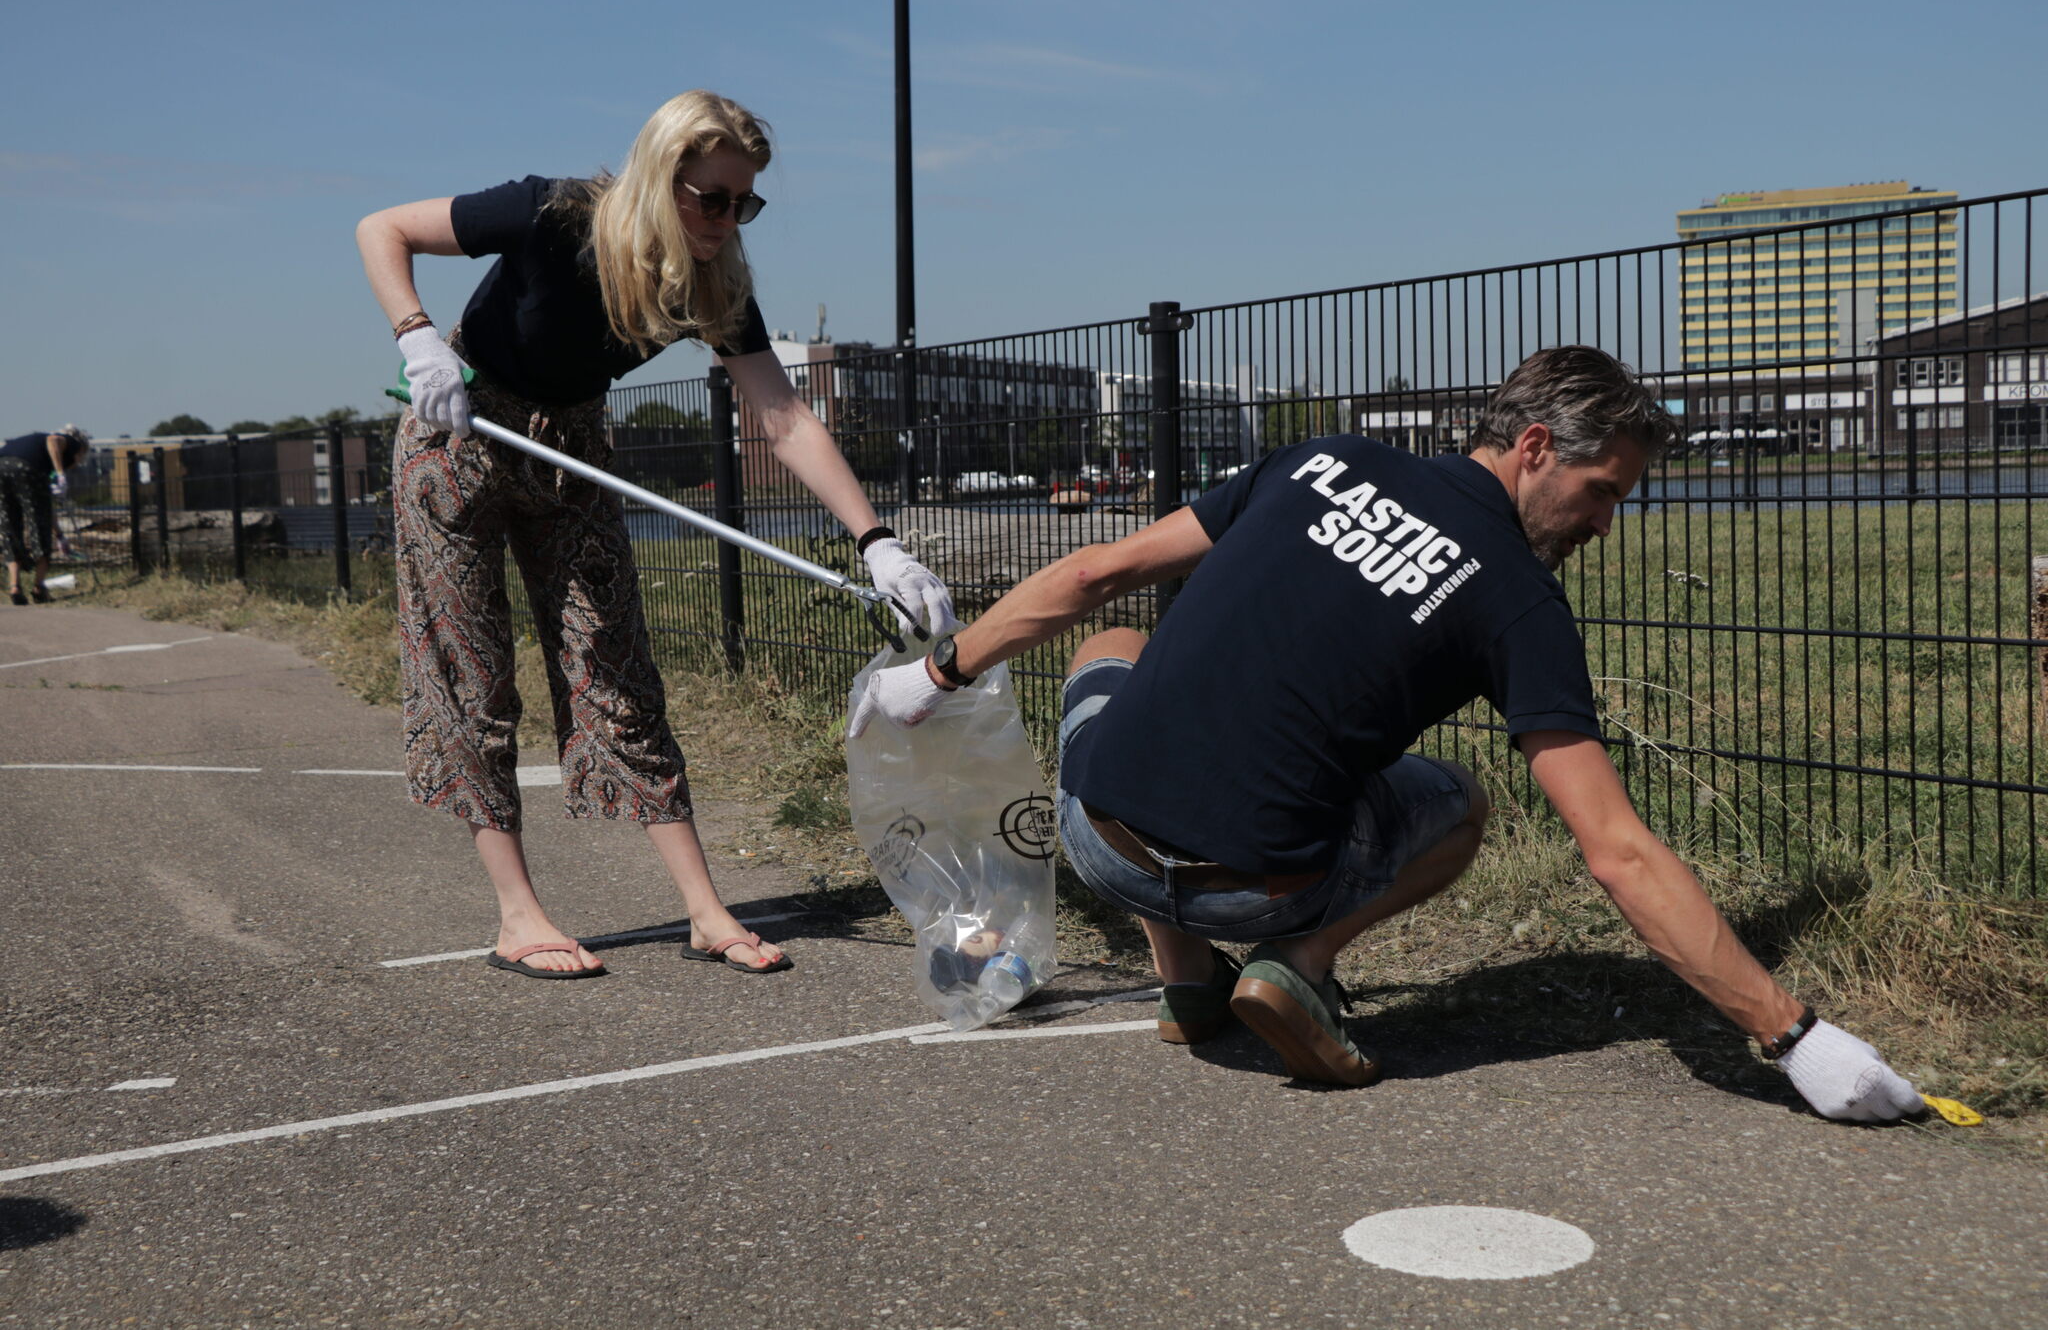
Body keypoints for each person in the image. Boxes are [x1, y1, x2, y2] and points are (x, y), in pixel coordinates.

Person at [851, 345, 1922, 1123]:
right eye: (1601, 494)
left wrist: (937, 673)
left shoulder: (1321, 460)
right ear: (1536, 446)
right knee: (1455, 802)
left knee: (1115, 642)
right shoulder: (1515, 603)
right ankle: (1298, 964)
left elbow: (1091, 576)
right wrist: (1795, 1038)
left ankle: (1184, 978)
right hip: (1255, 889)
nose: (1603, 526)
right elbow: (1614, 850)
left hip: (1099, 845)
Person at [356, 90, 955, 980]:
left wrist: (877, 540)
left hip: (571, 450)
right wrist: (418, 339)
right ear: (659, 173)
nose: (727, 219)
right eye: (712, 197)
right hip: (461, 435)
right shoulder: (551, 212)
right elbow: (382, 228)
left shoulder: (715, 281)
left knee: (618, 671)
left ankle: (708, 911)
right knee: (469, 672)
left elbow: (782, 415)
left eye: (743, 202)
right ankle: (518, 915)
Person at [0, 426, 89, 605]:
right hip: (26, 469)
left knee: (10, 528)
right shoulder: (71, 443)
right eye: (78, 460)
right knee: (39, 529)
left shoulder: (38, 452)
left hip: (1, 467)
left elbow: (46, 508)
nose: (76, 464)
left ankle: (15, 586)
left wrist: (60, 534)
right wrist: (61, 474)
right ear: (80, 451)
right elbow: (53, 441)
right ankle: (39, 587)